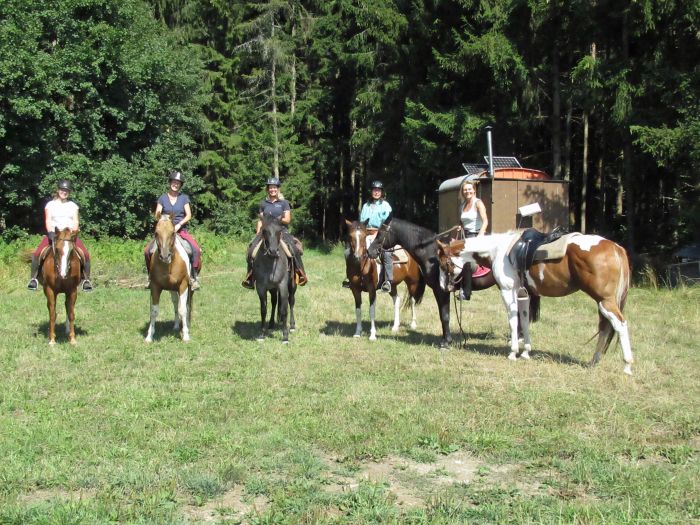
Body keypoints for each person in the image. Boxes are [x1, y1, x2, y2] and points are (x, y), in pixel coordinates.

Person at [27, 180, 93, 292]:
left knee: (85, 255)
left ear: (69, 192)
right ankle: (34, 279)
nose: (64, 192)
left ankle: (85, 280)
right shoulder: (50, 205)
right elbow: (48, 220)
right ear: (58, 190)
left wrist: (74, 231)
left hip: (69, 236)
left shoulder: (73, 206)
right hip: (55, 234)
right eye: (62, 190)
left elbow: (76, 221)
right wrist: (51, 232)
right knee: (37, 254)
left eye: (66, 190)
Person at [241, 177, 308, 289]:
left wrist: (275, 219)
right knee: (251, 249)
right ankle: (250, 277)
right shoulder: (263, 203)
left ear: (278, 189)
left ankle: (300, 272)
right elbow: (260, 221)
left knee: (293, 249)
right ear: (268, 189)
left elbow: (287, 219)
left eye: (274, 187)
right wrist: (258, 233)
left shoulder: (284, 203)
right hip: (266, 232)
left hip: (281, 231)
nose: (272, 190)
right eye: (270, 188)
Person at [144, 170, 202, 290]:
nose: (175, 184)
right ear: (170, 183)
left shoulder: (184, 198)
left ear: (180, 185)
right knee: (147, 251)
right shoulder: (163, 198)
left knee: (195, 249)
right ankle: (150, 277)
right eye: (174, 182)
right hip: (165, 231)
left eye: (178, 183)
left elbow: (189, 215)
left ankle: (193, 277)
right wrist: (165, 222)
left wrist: (178, 225)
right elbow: (157, 214)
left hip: (180, 230)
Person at [343, 180, 393, 293]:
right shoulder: (366, 205)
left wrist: (378, 233)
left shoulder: (385, 206)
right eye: (374, 190)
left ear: (381, 192)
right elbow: (361, 224)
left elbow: (389, 222)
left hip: (380, 233)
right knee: (348, 252)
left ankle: (388, 281)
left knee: (386, 253)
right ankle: (349, 278)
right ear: (371, 191)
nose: (376, 192)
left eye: (378, 190)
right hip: (365, 234)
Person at [456, 179, 489, 300]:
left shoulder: (478, 203)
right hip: (465, 237)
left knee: (467, 261)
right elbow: (461, 221)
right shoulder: (462, 205)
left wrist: (481, 235)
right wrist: (460, 227)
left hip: (476, 236)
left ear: (474, 190)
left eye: (469, 189)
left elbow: (485, 221)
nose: (467, 191)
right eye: (465, 190)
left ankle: (466, 292)